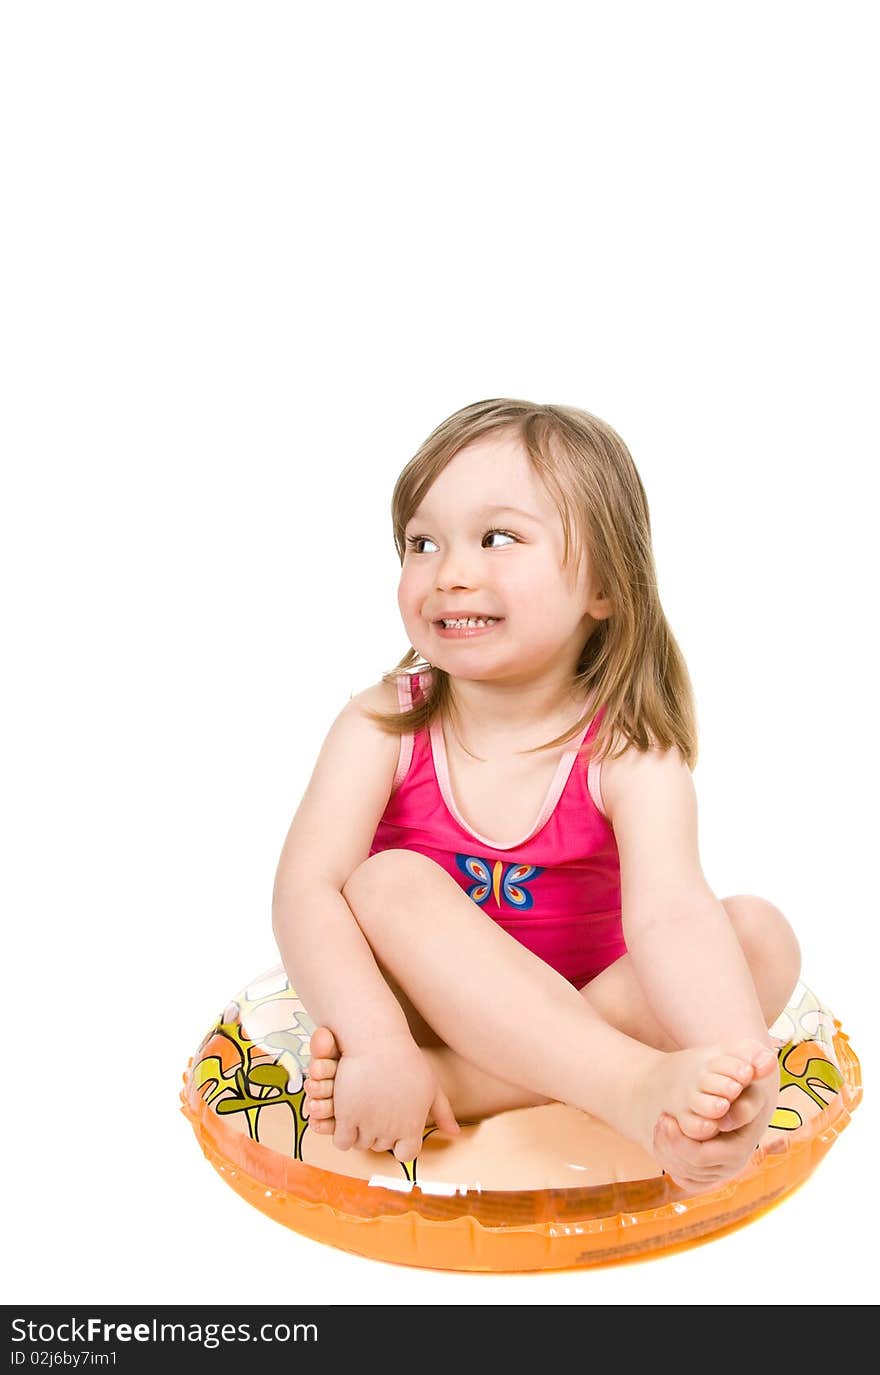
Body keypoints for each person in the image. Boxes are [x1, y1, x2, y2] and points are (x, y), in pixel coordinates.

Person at [271, 398, 802, 1192]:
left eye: (498, 537)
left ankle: (461, 1083)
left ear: (605, 587)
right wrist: (377, 1038)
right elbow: (303, 891)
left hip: (592, 1002)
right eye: (422, 542)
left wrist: (735, 1076)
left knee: (757, 934)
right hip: (424, 1003)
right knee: (386, 880)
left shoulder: (628, 750)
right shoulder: (382, 722)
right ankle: (622, 1084)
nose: (449, 570)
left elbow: (671, 916)